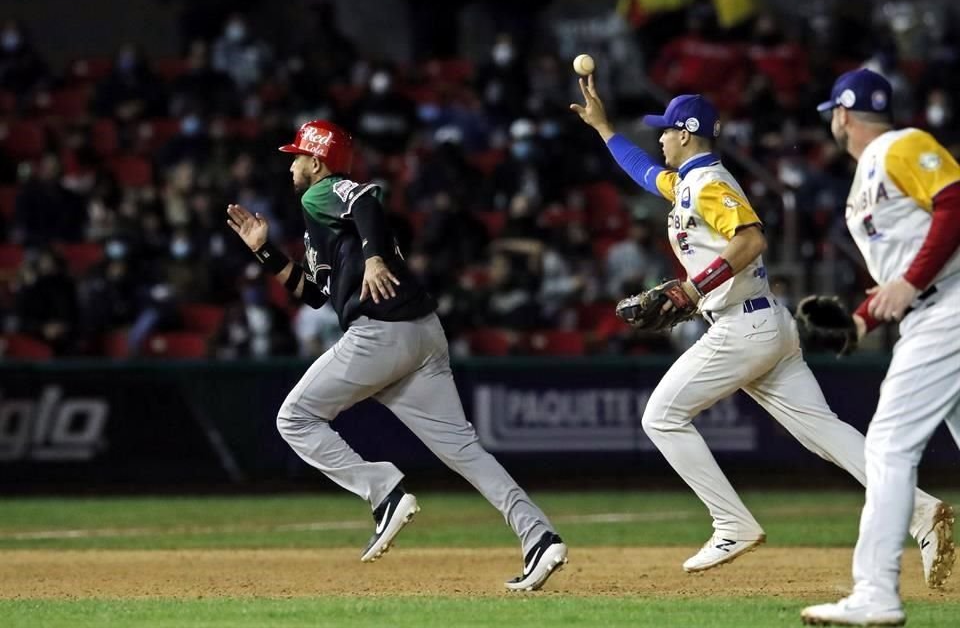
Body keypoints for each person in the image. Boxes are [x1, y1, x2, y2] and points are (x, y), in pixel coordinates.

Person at [570, 76, 954, 581]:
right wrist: (603, 128)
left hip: (741, 327)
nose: (658, 138)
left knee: (661, 418)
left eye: (664, 130)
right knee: (829, 435)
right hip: (762, 324)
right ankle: (923, 511)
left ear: (686, 134)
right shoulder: (688, 180)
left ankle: (731, 522)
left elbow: (751, 239)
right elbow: (644, 172)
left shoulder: (710, 183)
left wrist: (692, 288)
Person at [226, 120, 567, 591]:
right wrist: (265, 253)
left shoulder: (319, 194)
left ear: (318, 163)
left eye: (298, 155)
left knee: (295, 418)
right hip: (423, 335)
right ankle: (540, 537)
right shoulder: (323, 222)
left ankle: (383, 492)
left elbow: (367, 198)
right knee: (464, 450)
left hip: (381, 334)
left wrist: (374, 257)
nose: (292, 162)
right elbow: (313, 296)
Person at [801, 69, 960, 627]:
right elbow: (896, 280)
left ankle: (875, 593)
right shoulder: (866, 181)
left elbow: (956, 203)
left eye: (832, 116)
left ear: (842, 114)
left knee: (888, 445)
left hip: (949, 309)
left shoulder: (901, 144)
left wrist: (911, 284)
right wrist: (860, 322)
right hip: (931, 313)